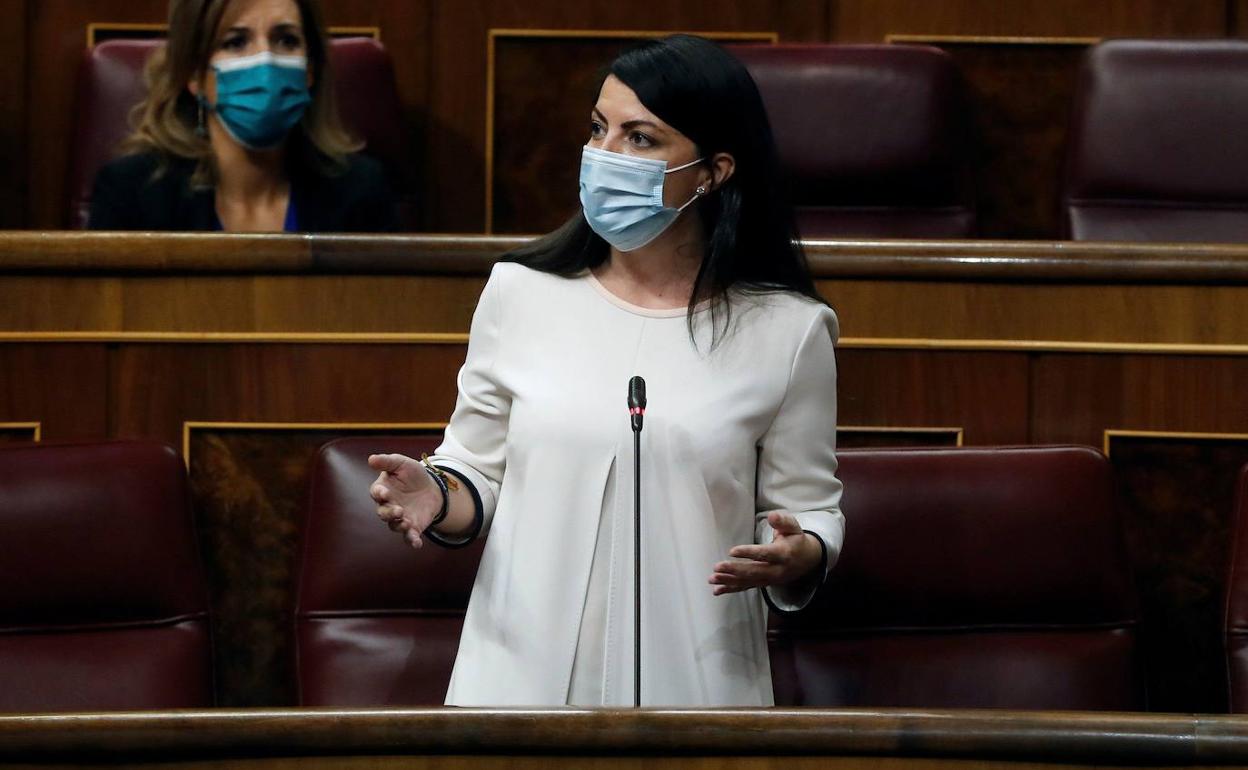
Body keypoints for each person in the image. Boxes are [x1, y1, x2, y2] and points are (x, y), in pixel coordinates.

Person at [368, 34, 844, 707]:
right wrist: (438, 495)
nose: (605, 156)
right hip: (519, 679)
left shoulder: (788, 331)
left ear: (714, 171)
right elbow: (476, 470)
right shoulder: (520, 295)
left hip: (700, 686)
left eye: (640, 138)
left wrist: (801, 555)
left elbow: (809, 509)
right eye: (599, 129)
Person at [88, 0, 396, 232]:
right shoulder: (131, 194)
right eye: (236, 42)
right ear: (194, 76)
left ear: (310, 71)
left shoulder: (362, 191)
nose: (266, 60)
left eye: (286, 40)